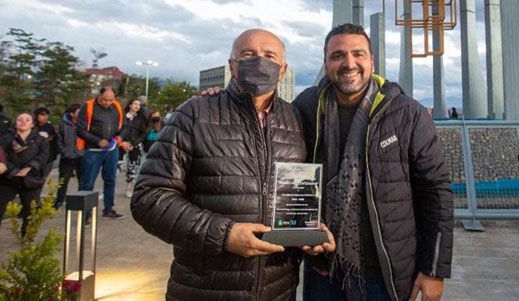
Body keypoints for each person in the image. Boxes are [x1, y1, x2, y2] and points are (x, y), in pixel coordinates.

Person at [132, 28, 334, 300]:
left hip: (278, 288)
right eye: (248, 54)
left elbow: (300, 194)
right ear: (232, 66)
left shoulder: (295, 120)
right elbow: (149, 197)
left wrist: (307, 234)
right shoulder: (194, 114)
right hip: (205, 288)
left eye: (269, 55)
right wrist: (224, 235)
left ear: (282, 69)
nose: (260, 61)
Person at [293, 23, 454, 301]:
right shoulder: (307, 106)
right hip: (322, 267)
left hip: (384, 271)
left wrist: (434, 270)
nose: (349, 63)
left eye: (358, 54)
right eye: (338, 55)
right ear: (325, 62)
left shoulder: (407, 114)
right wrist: (218, 99)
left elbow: (435, 191)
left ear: (372, 61)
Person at [77, 86, 130, 219]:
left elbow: (124, 126)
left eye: (110, 100)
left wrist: (121, 137)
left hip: (112, 150)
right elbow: (80, 130)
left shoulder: (117, 107)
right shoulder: (88, 107)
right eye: (104, 100)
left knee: (110, 180)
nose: (107, 103)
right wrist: (97, 141)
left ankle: (108, 209)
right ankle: (85, 214)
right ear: (99, 96)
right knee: (88, 182)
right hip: (93, 150)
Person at [0, 113, 50, 236]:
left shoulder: (40, 140)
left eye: (27, 120)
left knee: (30, 210)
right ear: (15, 122)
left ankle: (26, 238)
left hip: (31, 178)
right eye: (20, 119)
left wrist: (29, 168)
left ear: (32, 124)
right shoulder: (6, 139)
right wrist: (13, 170)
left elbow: (43, 157)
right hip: (9, 178)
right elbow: (3, 157)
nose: (23, 122)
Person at [55, 103, 83, 209]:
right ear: (72, 113)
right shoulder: (63, 124)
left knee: (82, 181)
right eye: (78, 112)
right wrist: (64, 151)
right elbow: (58, 139)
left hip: (81, 155)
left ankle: (81, 201)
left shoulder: (84, 123)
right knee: (63, 181)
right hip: (67, 156)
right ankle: (59, 201)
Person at [121, 99, 147, 198]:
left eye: (139, 105)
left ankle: (128, 188)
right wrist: (122, 142)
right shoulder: (123, 116)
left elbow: (143, 133)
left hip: (134, 145)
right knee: (116, 167)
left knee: (132, 166)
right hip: (121, 144)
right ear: (130, 105)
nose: (137, 106)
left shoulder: (140, 118)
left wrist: (134, 143)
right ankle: (107, 189)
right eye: (135, 104)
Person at [33, 106, 58, 177]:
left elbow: (54, 140)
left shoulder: (49, 127)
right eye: (42, 115)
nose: (45, 117)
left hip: (48, 157)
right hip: (34, 157)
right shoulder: (32, 127)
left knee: (43, 177)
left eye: (47, 115)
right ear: (36, 116)